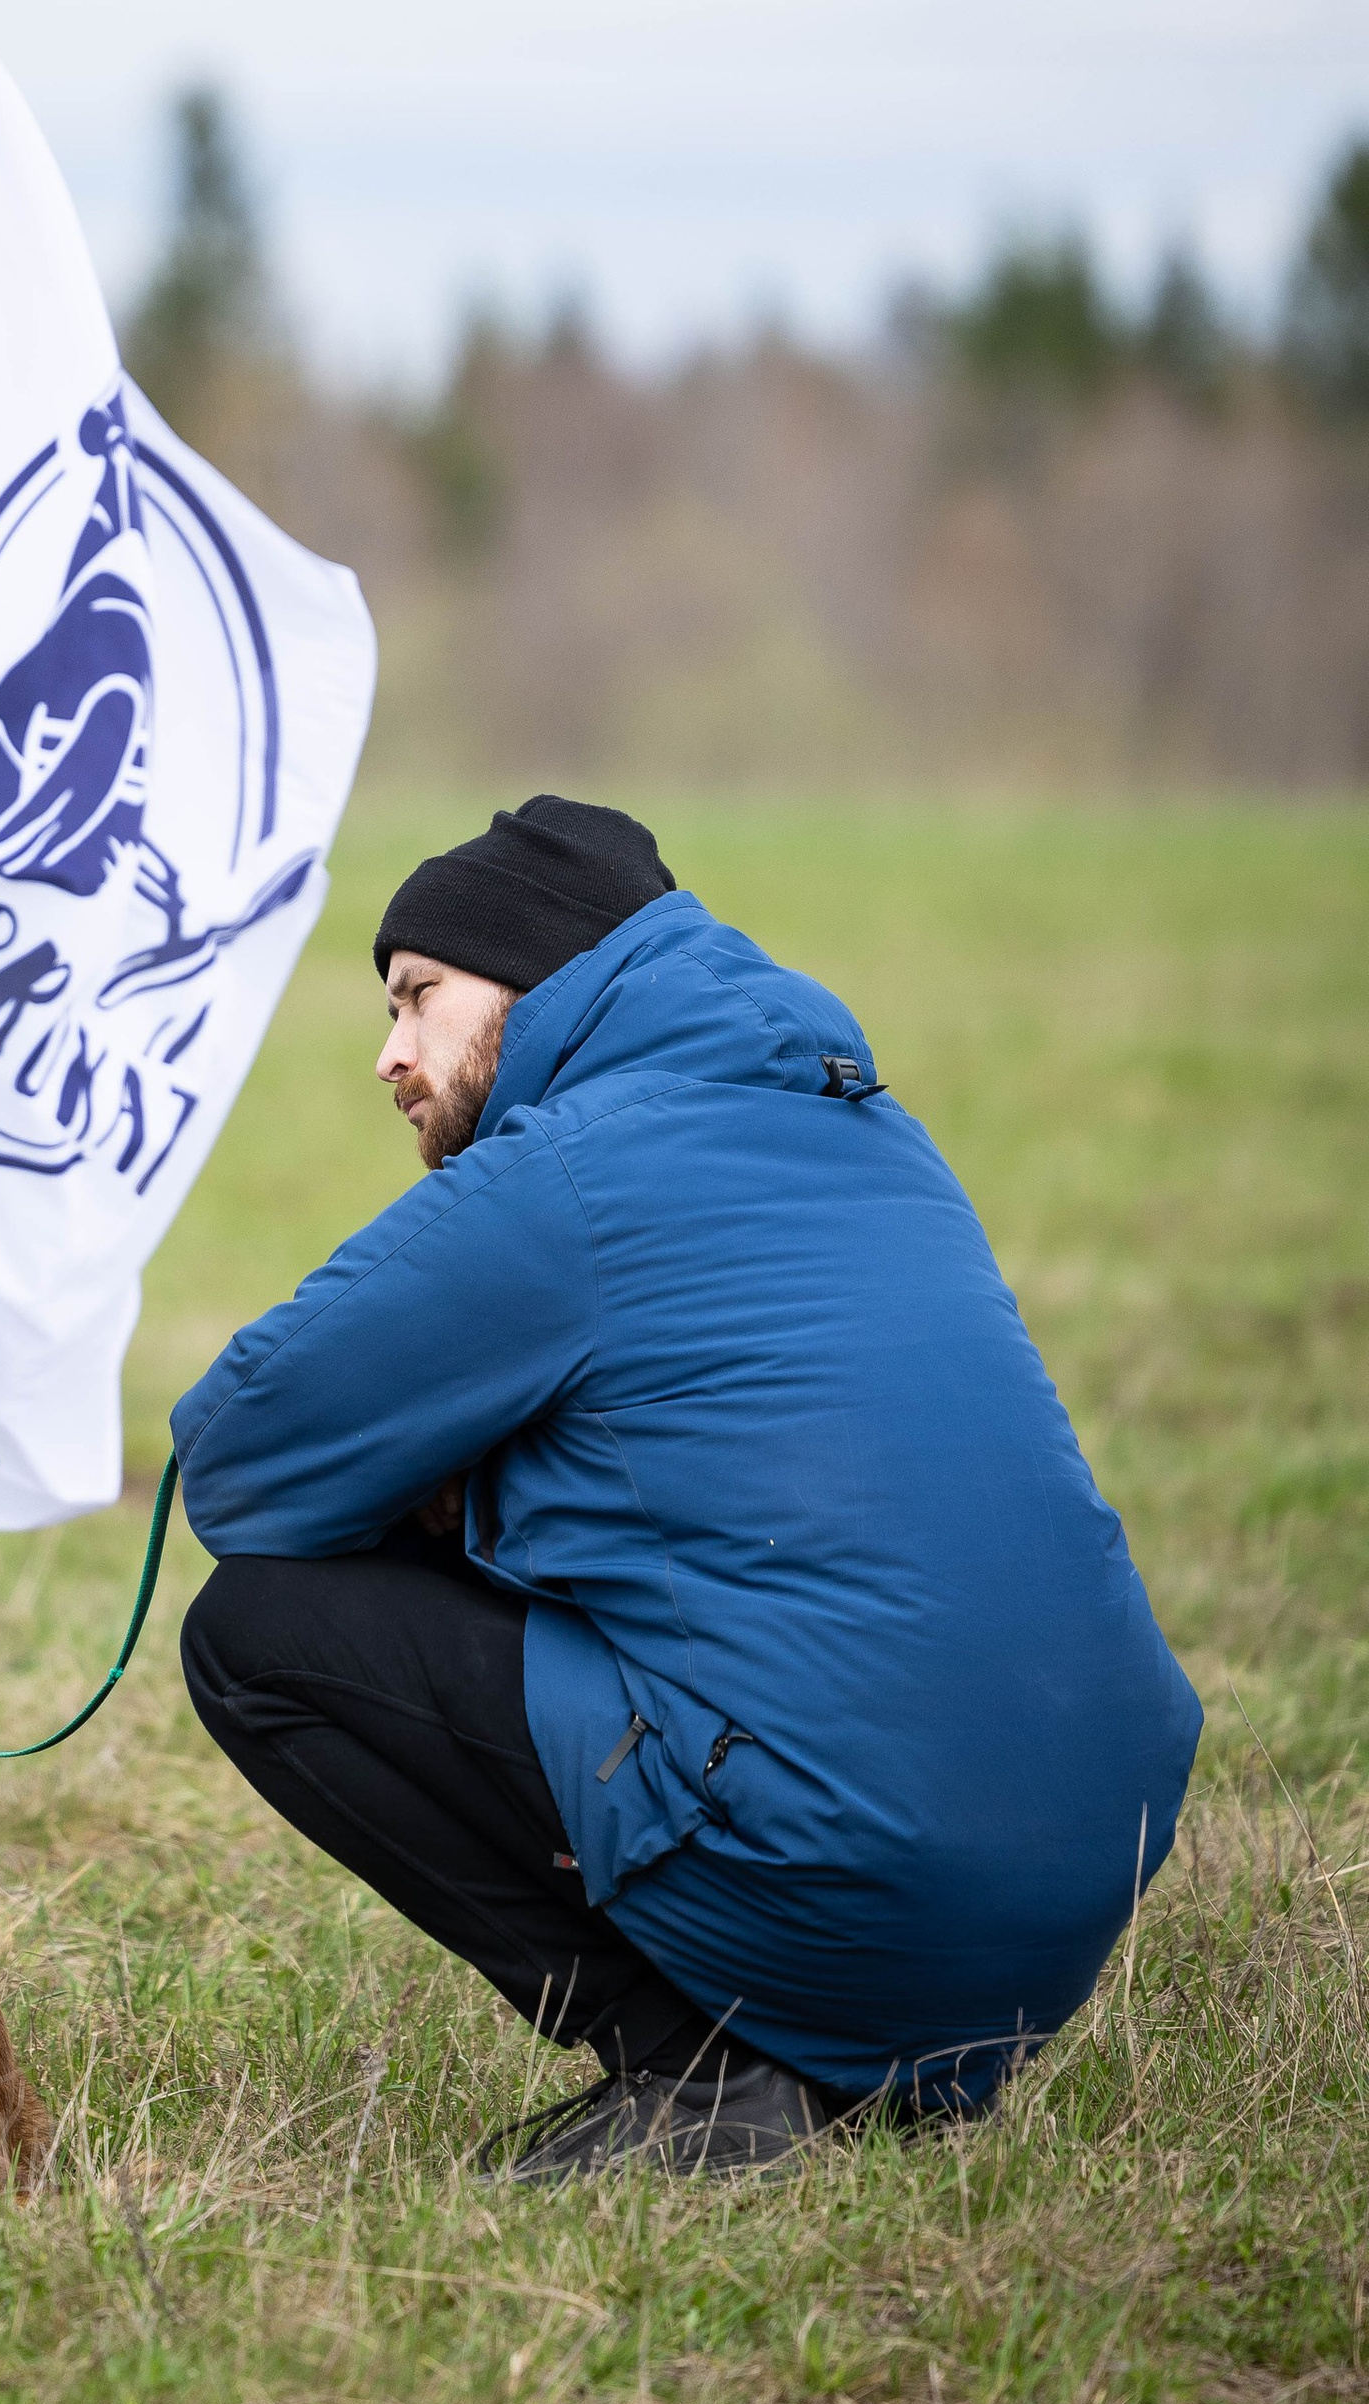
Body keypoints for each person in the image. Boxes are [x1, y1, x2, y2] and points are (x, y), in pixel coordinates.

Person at [171, 797, 1202, 2182]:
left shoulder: (572, 1171)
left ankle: (706, 2074)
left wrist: (453, 1484)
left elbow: (238, 1457)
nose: (390, 1054)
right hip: (1076, 1887)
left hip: (873, 1882)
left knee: (258, 1633)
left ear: (537, 981)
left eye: (419, 997)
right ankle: (850, 2057)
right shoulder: (875, 1131)